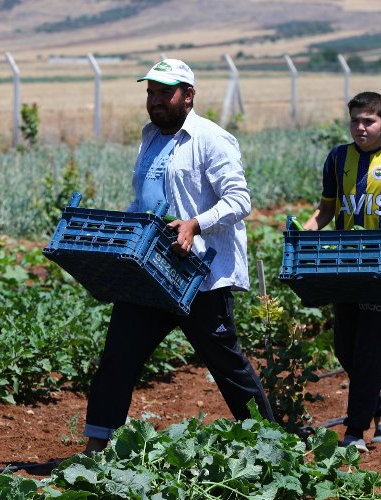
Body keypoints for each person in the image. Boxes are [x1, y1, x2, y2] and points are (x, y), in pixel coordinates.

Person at [83, 59, 275, 454]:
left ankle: (272, 443)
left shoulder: (212, 139)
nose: (155, 100)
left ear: (188, 96)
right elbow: (145, 199)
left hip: (199, 276)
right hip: (151, 272)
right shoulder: (150, 137)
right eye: (150, 92)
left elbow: (240, 201)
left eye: (164, 92)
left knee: (227, 366)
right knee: (118, 357)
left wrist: (194, 224)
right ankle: (96, 447)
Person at [302, 91, 381, 452]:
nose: (360, 127)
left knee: (369, 352)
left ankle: (355, 432)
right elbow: (325, 210)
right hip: (346, 264)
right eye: (355, 121)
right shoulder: (337, 158)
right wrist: (311, 227)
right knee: (345, 347)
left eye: (368, 121)